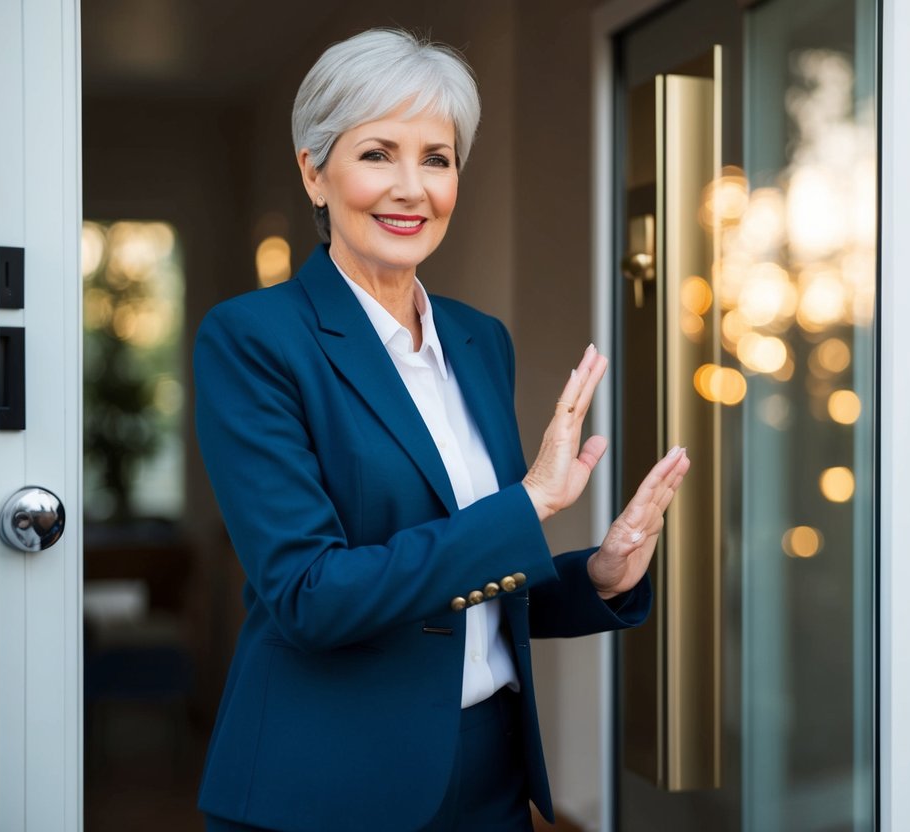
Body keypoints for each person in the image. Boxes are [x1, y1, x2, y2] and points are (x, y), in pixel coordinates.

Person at [193, 28, 691, 832]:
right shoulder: (254, 338)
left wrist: (594, 576)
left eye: (437, 157)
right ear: (312, 172)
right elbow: (309, 597)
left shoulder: (476, 338)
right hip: (328, 787)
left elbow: (467, 588)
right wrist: (524, 507)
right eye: (377, 154)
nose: (411, 188)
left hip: (487, 773)